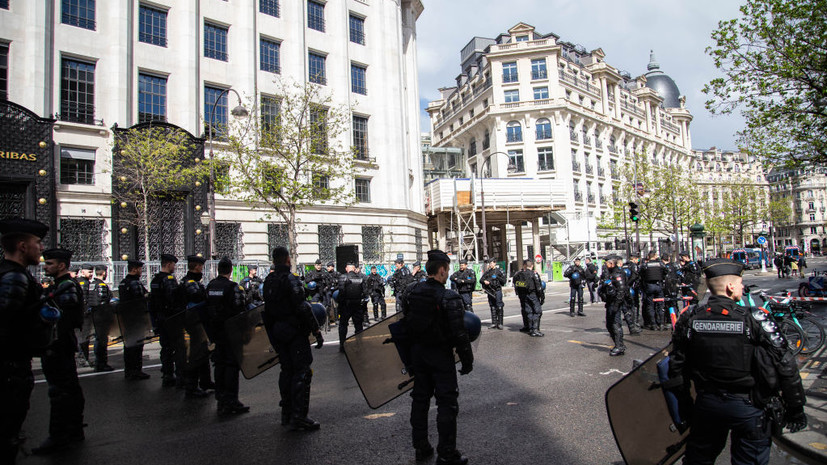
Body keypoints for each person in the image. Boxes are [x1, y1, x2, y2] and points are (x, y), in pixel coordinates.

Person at [667, 258, 807, 464]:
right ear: (731, 287)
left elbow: (676, 367)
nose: (742, 287)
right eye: (740, 283)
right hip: (749, 406)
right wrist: (796, 408)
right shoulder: (754, 318)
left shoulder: (690, 318)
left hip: (707, 404)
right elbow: (786, 365)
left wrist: (687, 408)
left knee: (698, 459)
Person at [402, 249, 473, 465]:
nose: (447, 272)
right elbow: (459, 333)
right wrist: (467, 359)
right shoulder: (448, 296)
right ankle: (446, 453)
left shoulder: (412, 291)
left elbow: (406, 319)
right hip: (440, 356)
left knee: (420, 400)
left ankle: (421, 446)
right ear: (442, 270)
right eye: (447, 269)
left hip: (418, 354)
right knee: (447, 403)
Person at [0, 218, 49, 463]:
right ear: (22, 246)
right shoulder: (15, 278)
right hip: (11, 367)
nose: (41, 248)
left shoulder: (13, 274)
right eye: (37, 243)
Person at [263, 247, 324, 430]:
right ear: (287, 259)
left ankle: (287, 413)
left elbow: (267, 311)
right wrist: (316, 331)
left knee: (286, 370)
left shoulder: (268, 281)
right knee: (302, 371)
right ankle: (299, 415)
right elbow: (303, 307)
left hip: (277, 331)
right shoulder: (291, 280)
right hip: (293, 331)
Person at [35, 248, 87, 454]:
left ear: (61, 265)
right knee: (69, 386)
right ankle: (73, 428)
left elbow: (62, 318)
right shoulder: (60, 285)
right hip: (60, 342)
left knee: (60, 389)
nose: (45, 267)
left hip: (59, 343)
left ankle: (59, 435)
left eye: (49, 264)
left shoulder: (66, 286)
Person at [206, 257, 250, 415]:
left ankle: (221, 397)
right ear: (230, 270)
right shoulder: (233, 287)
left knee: (219, 364)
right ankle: (232, 400)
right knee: (231, 365)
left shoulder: (210, 286)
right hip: (230, 332)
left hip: (216, 332)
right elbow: (240, 310)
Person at [178, 255, 213, 398]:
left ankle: (205, 381)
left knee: (203, 351)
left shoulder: (194, 282)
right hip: (194, 321)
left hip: (198, 321)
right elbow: (198, 297)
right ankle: (191, 387)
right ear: (197, 267)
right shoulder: (189, 283)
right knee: (195, 353)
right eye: (201, 267)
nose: (202, 270)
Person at [150, 254, 185, 387]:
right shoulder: (169, 279)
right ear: (169, 264)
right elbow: (173, 298)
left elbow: (152, 302)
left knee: (165, 348)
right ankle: (180, 376)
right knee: (178, 348)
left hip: (160, 317)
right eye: (173, 265)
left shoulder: (155, 280)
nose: (174, 267)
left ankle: (167, 374)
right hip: (171, 318)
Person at [119, 260, 151, 381]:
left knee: (128, 345)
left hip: (127, 318)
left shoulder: (123, 283)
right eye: (140, 269)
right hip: (136, 317)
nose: (140, 271)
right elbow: (141, 298)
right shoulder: (135, 283)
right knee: (137, 345)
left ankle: (129, 370)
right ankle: (136, 370)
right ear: (135, 269)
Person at [598, 256, 627, 356]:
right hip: (610, 302)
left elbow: (621, 291)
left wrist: (616, 305)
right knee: (609, 325)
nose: (605, 265)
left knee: (615, 324)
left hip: (615, 303)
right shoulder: (610, 274)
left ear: (612, 264)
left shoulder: (617, 274)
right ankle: (619, 344)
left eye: (607, 263)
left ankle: (619, 346)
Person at [337, 262, 367, 352]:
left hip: (346, 305)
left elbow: (341, 293)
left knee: (343, 325)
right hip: (357, 305)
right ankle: (360, 345)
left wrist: (340, 305)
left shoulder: (343, 277)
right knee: (358, 326)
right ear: (354, 269)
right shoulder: (361, 278)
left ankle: (342, 345)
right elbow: (365, 292)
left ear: (347, 268)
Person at [88, 265, 113, 372]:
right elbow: (103, 301)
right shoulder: (101, 285)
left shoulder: (92, 284)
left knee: (98, 339)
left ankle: (99, 362)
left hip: (94, 314)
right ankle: (101, 363)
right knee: (102, 340)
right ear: (103, 273)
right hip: (101, 314)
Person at [513, 259, 544, 337]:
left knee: (529, 312)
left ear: (525, 265)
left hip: (524, 296)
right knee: (537, 312)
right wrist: (542, 297)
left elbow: (515, 284)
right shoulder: (533, 274)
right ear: (532, 265)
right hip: (533, 295)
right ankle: (535, 329)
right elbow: (539, 287)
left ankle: (530, 328)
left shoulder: (519, 274)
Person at [640, 251, 667, 330]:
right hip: (658, 285)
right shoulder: (660, 264)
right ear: (655, 256)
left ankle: (653, 324)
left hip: (649, 286)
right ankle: (661, 323)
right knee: (660, 305)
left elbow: (641, 274)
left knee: (650, 306)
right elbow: (666, 272)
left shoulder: (645, 265)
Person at [76, 263, 93, 367]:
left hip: (84, 313)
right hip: (83, 313)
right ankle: (82, 359)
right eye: (89, 271)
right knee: (82, 338)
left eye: (91, 272)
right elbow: (84, 299)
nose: (91, 274)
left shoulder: (85, 282)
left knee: (84, 337)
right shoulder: (83, 282)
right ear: (82, 272)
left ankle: (84, 358)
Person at [480, 258, 506, 329]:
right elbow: (481, 279)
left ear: (495, 263)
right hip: (490, 291)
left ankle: (500, 323)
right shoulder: (488, 272)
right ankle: (494, 323)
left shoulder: (499, 271)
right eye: (490, 263)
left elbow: (504, 281)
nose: (490, 265)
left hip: (497, 290)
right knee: (492, 307)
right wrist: (485, 281)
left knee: (499, 306)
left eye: (491, 263)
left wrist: (497, 277)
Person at [324, 261, 339, 326]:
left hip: (335, 291)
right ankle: (328, 321)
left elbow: (340, 283)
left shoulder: (337, 274)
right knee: (328, 305)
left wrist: (336, 287)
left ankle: (337, 319)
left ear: (332, 267)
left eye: (329, 267)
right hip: (328, 291)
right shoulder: (325, 275)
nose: (328, 268)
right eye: (327, 267)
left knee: (336, 305)